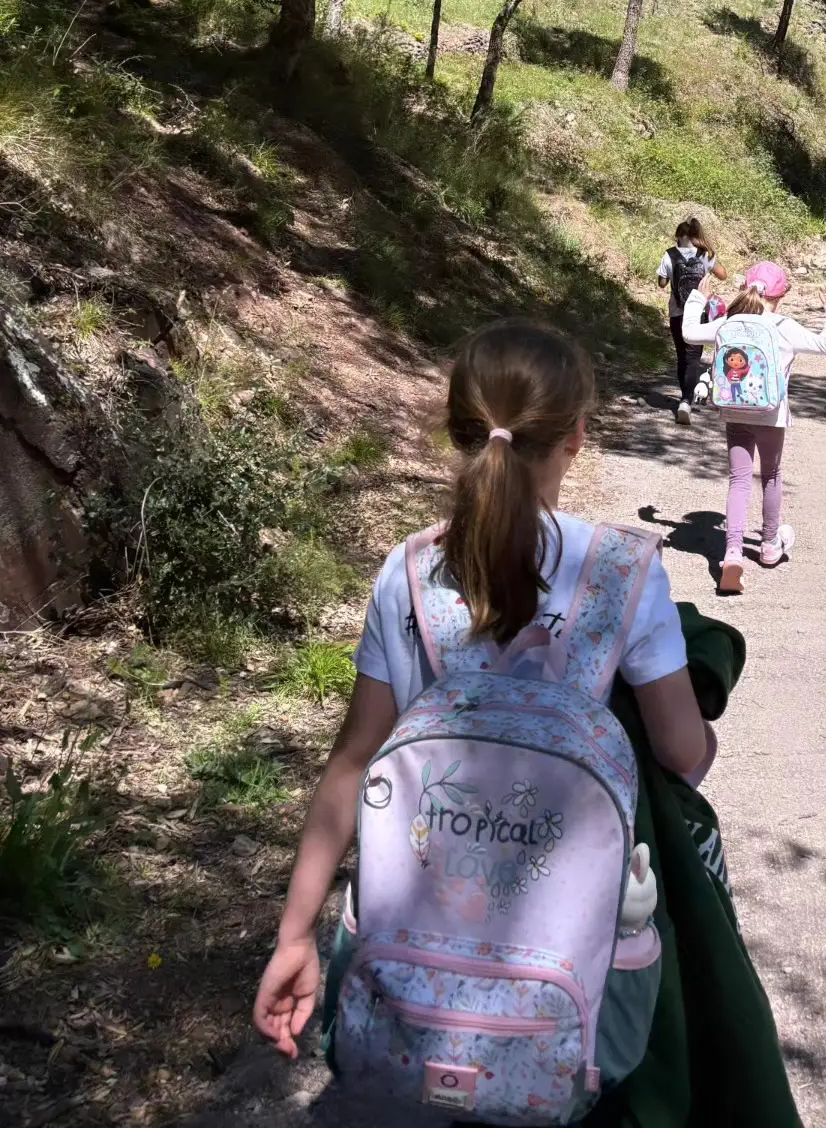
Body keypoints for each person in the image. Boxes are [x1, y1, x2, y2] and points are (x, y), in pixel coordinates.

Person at [252, 320, 708, 1065]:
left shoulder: (406, 571)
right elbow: (682, 753)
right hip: (561, 952)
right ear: (576, 436)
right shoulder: (623, 572)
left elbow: (352, 763)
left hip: (423, 941)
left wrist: (295, 934)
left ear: (458, 430)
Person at [683, 263, 826, 595]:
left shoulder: (729, 322)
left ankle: (732, 553)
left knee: (739, 480)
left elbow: (689, 333)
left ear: (745, 288)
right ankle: (769, 544)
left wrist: (698, 298)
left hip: (734, 411)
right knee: (770, 476)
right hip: (771, 415)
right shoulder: (784, 326)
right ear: (781, 295)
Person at [657, 217, 723, 425]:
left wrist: (669, 275)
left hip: (677, 313)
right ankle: (686, 401)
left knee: (681, 357)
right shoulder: (705, 255)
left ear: (678, 236)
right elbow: (723, 275)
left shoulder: (669, 255)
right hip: (699, 314)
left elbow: (661, 283)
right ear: (696, 236)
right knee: (694, 358)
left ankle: (684, 398)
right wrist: (710, 259)